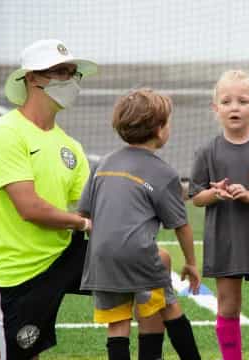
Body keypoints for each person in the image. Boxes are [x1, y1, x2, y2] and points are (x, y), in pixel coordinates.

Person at [0, 39, 97, 360]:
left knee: (147, 269)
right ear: (32, 78)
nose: (70, 81)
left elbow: (92, 201)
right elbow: (29, 208)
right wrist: (84, 222)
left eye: (73, 74)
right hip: (19, 270)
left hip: (64, 254)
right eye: (60, 72)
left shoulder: (69, 145)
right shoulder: (4, 132)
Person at [78, 89, 202, 360]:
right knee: (169, 307)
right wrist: (191, 263)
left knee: (118, 324)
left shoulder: (103, 164)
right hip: (139, 257)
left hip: (101, 258)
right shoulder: (163, 173)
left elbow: (85, 213)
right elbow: (180, 224)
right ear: (159, 130)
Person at [189, 70, 249, 360]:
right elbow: (196, 197)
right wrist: (215, 193)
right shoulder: (207, 151)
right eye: (227, 101)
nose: (235, 107)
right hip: (224, 240)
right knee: (228, 306)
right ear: (215, 108)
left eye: (243, 101)